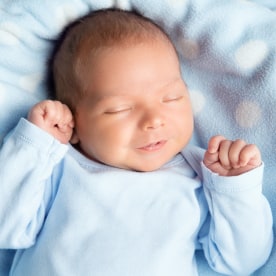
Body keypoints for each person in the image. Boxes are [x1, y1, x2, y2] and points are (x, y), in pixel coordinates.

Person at [0, 8, 273, 276]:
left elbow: (242, 262)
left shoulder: (201, 173)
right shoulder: (58, 166)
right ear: (74, 124)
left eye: (171, 98)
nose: (154, 119)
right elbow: (5, 228)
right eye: (120, 109)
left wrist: (235, 190)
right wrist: (33, 146)